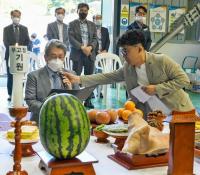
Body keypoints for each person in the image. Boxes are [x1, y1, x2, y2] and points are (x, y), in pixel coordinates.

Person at [62, 30, 194, 118]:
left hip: (177, 112)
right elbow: (106, 77)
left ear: (140, 48)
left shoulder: (161, 60)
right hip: (154, 117)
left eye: (126, 51)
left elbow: (184, 79)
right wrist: (78, 79)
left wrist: (157, 89)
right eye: (122, 52)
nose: (124, 56)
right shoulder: (128, 68)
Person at [25, 39, 79, 124]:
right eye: (53, 56)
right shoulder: (33, 76)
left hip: (66, 120)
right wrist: (50, 109)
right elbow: (30, 102)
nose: (57, 60)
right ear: (46, 57)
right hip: (41, 120)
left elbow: (78, 101)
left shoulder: (71, 74)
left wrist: (70, 90)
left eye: (60, 57)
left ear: (64, 58)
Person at [68, 3, 97, 108]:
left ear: (88, 12)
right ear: (77, 11)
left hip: (90, 54)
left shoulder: (92, 25)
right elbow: (71, 39)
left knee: (90, 79)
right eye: (81, 10)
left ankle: (88, 100)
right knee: (75, 78)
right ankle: (75, 100)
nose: (83, 12)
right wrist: (82, 47)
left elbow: (95, 39)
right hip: (77, 54)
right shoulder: (72, 24)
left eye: (85, 10)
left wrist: (90, 48)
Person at [3, 9, 30, 101]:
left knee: (21, 75)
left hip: (22, 56)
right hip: (10, 55)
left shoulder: (24, 28)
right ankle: (10, 94)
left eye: (18, 16)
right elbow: (5, 41)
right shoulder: (6, 29)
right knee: (10, 75)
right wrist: (14, 48)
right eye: (14, 16)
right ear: (11, 17)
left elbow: (27, 41)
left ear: (20, 17)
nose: (16, 18)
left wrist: (21, 49)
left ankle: (19, 93)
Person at [93, 14, 110, 98]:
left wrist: (105, 50)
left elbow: (108, 41)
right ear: (93, 20)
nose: (98, 20)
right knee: (92, 74)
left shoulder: (105, 30)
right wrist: (96, 51)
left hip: (103, 55)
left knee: (100, 74)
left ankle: (99, 92)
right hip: (93, 54)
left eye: (100, 18)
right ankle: (91, 93)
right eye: (97, 18)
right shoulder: (91, 29)